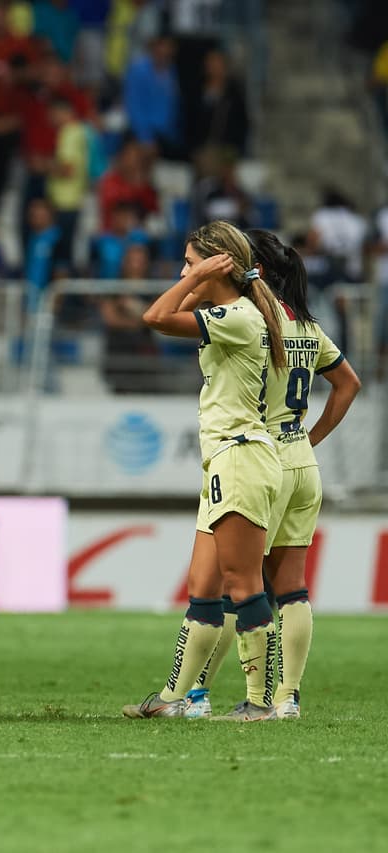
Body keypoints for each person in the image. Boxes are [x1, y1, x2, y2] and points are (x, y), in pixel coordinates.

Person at [184, 230, 360, 720]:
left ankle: (197, 693)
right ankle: (288, 697)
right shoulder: (307, 327)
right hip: (302, 460)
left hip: (260, 460)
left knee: (234, 586)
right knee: (293, 588)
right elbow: (348, 384)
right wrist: (310, 438)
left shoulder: (258, 322)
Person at [127, 221, 287, 722]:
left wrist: (197, 281)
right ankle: (178, 700)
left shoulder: (238, 317)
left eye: (191, 262)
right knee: (203, 587)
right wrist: (201, 278)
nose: (183, 271)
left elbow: (154, 316)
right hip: (224, 459)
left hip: (241, 456)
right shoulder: (232, 313)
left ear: (218, 264)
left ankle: (262, 702)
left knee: (244, 584)